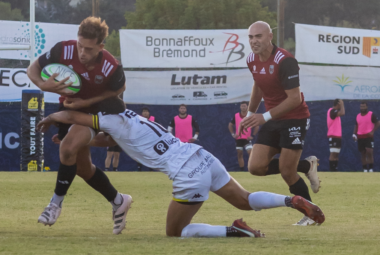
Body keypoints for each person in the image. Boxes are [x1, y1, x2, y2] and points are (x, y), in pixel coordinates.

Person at [37, 99, 325, 238]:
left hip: (187, 174)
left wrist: (52, 116)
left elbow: (74, 115)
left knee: (176, 232)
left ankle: (236, 232)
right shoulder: (130, 116)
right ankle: (291, 200)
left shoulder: (108, 118)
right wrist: (68, 136)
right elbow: (112, 139)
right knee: (247, 200)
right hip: (201, 155)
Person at [26, 17, 131, 234]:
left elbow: (119, 89)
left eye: (89, 49)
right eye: (79, 45)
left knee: (68, 148)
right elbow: (32, 69)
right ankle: (119, 201)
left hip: (94, 112)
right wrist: (42, 84)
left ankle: (55, 204)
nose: (82, 52)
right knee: (83, 169)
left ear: (101, 47)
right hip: (70, 110)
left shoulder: (111, 66)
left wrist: (87, 102)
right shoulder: (62, 50)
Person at [239, 21, 321, 226]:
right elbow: (258, 86)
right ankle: (306, 165)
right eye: (250, 37)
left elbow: (295, 99)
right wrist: (250, 114)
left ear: (269, 37)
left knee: (287, 172)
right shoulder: (251, 59)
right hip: (272, 118)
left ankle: (311, 214)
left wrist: (263, 117)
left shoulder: (285, 60)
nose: (254, 41)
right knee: (255, 167)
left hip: (294, 118)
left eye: (258, 36)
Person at [228, 101, 259, 171]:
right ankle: (241, 170)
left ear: (247, 107)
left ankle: (252, 168)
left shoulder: (250, 116)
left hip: (247, 139)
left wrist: (253, 136)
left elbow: (257, 126)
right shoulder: (236, 116)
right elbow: (230, 125)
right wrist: (233, 134)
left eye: (244, 106)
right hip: (239, 139)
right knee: (239, 154)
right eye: (242, 106)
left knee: (250, 153)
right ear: (240, 107)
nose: (243, 107)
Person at [353, 102, 380, 172]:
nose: (362, 108)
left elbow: (378, 123)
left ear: (367, 107)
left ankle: (370, 169)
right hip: (360, 137)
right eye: (361, 107)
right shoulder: (358, 116)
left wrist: (373, 131)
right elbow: (356, 125)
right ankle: (365, 169)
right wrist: (354, 134)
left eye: (364, 107)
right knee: (363, 153)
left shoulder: (371, 114)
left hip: (369, 136)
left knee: (369, 152)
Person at [327, 99, 345, 171]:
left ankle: (335, 169)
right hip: (333, 135)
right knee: (333, 153)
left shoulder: (335, 112)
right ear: (338, 104)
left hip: (337, 136)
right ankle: (332, 169)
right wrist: (342, 105)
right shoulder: (332, 111)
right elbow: (342, 113)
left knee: (336, 153)